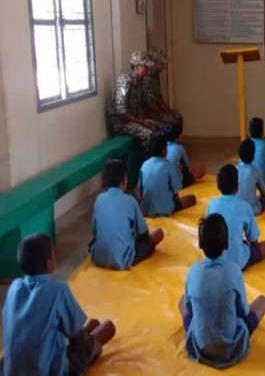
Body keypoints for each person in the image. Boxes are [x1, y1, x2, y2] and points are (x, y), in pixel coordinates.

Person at [2, 233, 116, 375]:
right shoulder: (58, 289)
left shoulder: (14, 287)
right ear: (49, 263)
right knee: (108, 328)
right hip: (50, 371)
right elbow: (75, 336)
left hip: (11, 370)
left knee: (91, 324)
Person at [179, 214, 265, 369]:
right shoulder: (234, 271)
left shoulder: (193, 271)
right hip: (232, 346)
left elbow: (190, 307)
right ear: (227, 244)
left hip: (200, 346)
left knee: (181, 301)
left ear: (200, 244)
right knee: (262, 302)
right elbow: (244, 311)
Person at [89, 159, 164, 270]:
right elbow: (144, 234)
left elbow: (94, 232)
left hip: (99, 258)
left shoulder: (99, 199)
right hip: (123, 259)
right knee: (158, 234)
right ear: (124, 181)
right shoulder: (130, 201)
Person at [206, 164, 265, 270]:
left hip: (215, 260)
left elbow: (209, 231)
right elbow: (254, 241)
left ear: (218, 185)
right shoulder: (245, 207)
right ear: (237, 186)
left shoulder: (211, 204)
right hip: (239, 262)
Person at [107, 50, 170, 155]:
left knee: (159, 128)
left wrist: (144, 120)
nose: (148, 70)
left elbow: (140, 105)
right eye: (146, 66)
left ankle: (162, 161)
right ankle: (148, 166)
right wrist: (140, 122)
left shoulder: (139, 81)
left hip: (133, 120)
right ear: (137, 67)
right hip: (121, 123)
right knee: (150, 135)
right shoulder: (125, 82)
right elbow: (121, 112)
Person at [138, 134, 197, 217]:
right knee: (192, 198)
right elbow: (175, 193)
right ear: (164, 150)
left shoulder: (144, 165)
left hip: (145, 210)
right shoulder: (168, 166)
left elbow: (139, 191)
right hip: (165, 209)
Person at [144, 47, 183, 129]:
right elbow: (150, 103)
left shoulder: (155, 75)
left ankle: (174, 139)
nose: (163, 65)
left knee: (177, 116)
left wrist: (168, 111)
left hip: (154, 109)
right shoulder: (147, 77)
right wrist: (164, 113)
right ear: (153, 62)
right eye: (161, 63)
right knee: (171, 120)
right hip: (147, 112)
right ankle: (168, 141)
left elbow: (158, 96)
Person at [237, 138, 265, 215]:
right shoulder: (255, 171)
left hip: (238, 208)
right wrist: (262, 196)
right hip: (253, 209)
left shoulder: (235, 170)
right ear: (253, 155)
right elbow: (263, 191)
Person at [165, 121, 205, 188]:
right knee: (201, 169)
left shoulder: (163, 146)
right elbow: (187, 165)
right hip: (177, 183)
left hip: (164, 181)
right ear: (177, 137)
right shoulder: (180, 148)